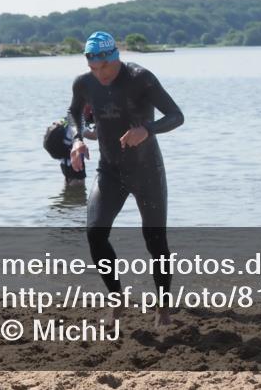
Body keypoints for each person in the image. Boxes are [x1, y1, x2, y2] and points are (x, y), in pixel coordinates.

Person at [67, 31, 184, 328]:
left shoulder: (140, 78)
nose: (100, 74)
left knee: (155, 239)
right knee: (95, 233)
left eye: (103, 67)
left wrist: (147, 128)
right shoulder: (85, 83)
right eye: (93, 68)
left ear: (114, 57)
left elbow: (175, 115)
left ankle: (163, 307)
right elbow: (73, 112)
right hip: (110, 170)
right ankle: (117, 301)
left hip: (146, 170)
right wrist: (78, 140)